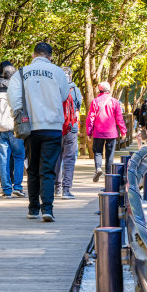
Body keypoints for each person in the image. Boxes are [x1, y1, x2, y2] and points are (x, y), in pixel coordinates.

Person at [7, 42, 69, 222]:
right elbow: (64, 95)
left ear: (33, 55)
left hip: (30, 126)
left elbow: (14, 98)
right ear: (50, 57)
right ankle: (47, 208)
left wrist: (21, 116)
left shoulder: (21, 73)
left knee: (32, 168)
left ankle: (33, 208)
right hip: (53, 126)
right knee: (48, 169)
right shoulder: (58, 72)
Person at [0, 63, 26, 198]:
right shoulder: (18, 87)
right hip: (15, 128)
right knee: (19, 157)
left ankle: (6, 190)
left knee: (3, 159)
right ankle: (18, 187)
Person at [86, 81, 126, 182]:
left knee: (98, 151)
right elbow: (119, 118)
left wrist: (89, 132)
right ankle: (108, 174)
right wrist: (123, 131)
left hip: (98, 131)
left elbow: (91, 118)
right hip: (111, 132)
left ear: (99, 90)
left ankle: (98, 168)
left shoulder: (95, 101)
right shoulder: (115, 101)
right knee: (110, 153)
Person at [56, 67, 82, 199]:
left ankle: (57, 187)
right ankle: (66, 189)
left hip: (55, 127)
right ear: (71, 76)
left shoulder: (54, 88)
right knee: (69, 159)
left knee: (56, 157)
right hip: (71, 127)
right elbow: (78, 108)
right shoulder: (75, 90)